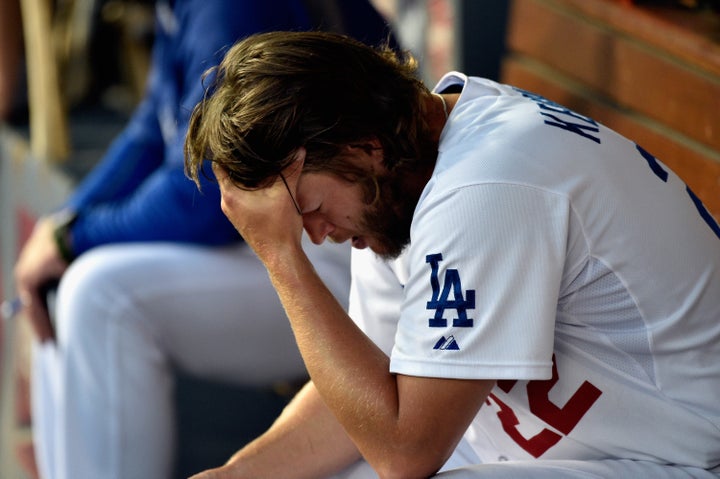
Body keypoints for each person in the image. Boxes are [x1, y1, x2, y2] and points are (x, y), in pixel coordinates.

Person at [183, 31, 720, 479]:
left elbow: (403, 450)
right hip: (575, 454)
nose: (315, 236)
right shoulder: (398, 178)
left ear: (362, 147)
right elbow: (365, 399)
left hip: (684, 456)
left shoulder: (488, 183)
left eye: (310, 209)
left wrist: (281, 259)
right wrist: (232, 476)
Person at [12, 3, 397, 479]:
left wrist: (75, 238)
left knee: (100, 293)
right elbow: (149, 132)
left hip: (347, 241)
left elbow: (208, 196)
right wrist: (60, 230)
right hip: (309, 231)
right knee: (63, 278)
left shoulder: (227, 6)